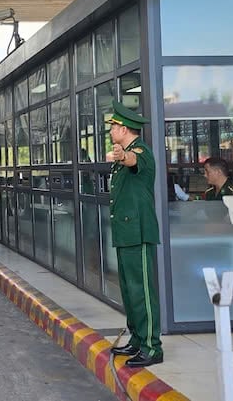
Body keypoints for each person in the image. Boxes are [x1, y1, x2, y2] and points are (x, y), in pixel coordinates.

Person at [104, 100, 163, 368]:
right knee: (129, 290)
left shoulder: (141, 151)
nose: (111, 131)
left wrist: (122, 155)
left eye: (113, 126)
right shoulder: (125, 152)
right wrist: (119, 155)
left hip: (138, 232)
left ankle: (152, 346)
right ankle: (138, 340)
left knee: (142, 290)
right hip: (126, 231)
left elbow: (133, 160)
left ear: (124, 128)